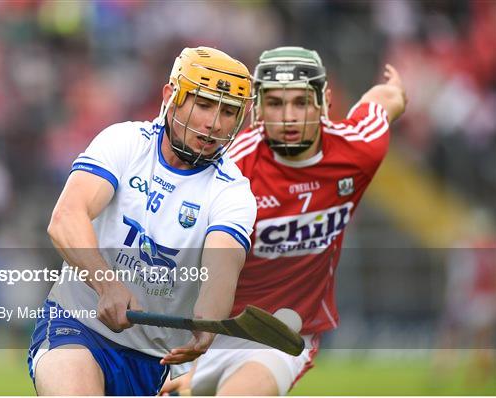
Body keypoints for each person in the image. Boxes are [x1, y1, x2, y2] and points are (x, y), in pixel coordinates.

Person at [160, 46, 407, 395]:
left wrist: (394, 87)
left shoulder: (358, 149)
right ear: (257, 108)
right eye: (275, 103)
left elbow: (384, 101)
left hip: (283, 334)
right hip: (204, 328)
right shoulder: (230, 167)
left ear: (324, 101)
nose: (288, 116)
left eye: (301, 102)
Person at [27, 46, 257, 396]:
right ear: (171, 97)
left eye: (228, 112)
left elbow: (221, 270)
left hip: (164, 361)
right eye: (205, 104)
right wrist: (108, 285)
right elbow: (66, 218)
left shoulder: (233, 192)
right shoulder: (125, 142)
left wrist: (209, 324)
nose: (214, 123)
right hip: (77, 328)